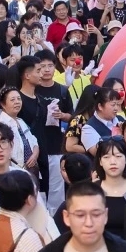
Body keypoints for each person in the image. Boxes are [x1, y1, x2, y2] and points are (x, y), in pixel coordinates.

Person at [35, 49, 74, 211]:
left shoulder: (62, 90)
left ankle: (56, 216)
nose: (46, 70)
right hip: (36, 145)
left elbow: (72, 116)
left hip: (56, 144)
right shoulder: (32, 90)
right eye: (42, 66)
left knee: (57, 186)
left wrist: (62, 115)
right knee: (38, 185)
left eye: (50, 66)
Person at [97, 137, 126, 236]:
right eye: (106, 157)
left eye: (118, 156)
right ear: (100, 161)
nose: (113, 162)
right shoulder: (90, 191)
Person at [0, 86, 40, 171]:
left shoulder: (20, 121)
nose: (17, 102)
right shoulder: (1, 124)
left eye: (19, 99)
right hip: (13, 170)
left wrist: (35, 154)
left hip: (30, 170)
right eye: (12, 100)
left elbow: (33, 140)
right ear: (3, 104)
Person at [80, 86, 124, 156]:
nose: (116, 108)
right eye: (113, 105)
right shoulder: (88, 128)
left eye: (117, 104)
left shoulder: (121, 119)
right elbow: (98, 153)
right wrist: (119, 135)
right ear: (100, 106)